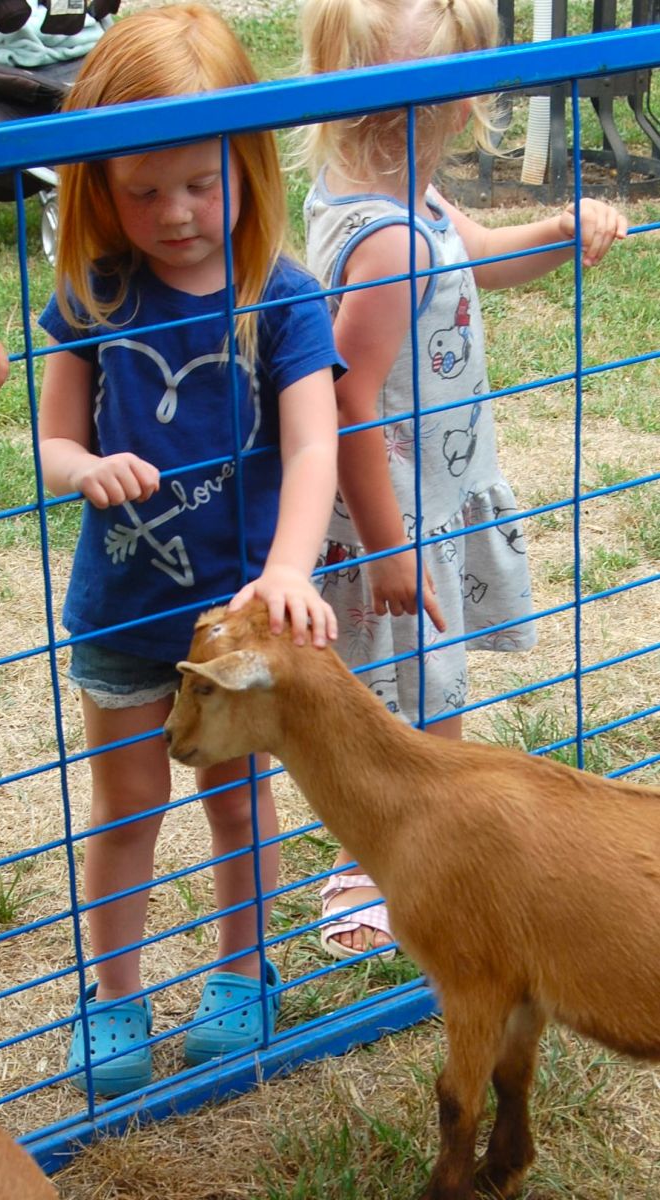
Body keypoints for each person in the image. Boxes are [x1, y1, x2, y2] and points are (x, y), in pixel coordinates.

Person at [38, 2, 342, 1097]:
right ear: (94, 184)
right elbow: (52, 434)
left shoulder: (285, 297)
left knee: (235, 802)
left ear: (246, 165)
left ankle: (240, 971)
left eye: (200, 182)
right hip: (123, 613)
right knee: (124, 810)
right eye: (141, 188)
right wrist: (82, 470)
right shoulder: (95, 296)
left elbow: (316, 447)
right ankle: (111, 995)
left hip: (238, 619)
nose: (174, 214)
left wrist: (291, 568)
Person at [299, 0, 628, 960]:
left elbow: (475, 259)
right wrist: (393, 546)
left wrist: (561, 228)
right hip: (393, 514)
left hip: (424, 499)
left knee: (418, 689)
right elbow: (349, 400)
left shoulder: (401, 200)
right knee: (411, 700)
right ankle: (389, 876)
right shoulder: (390, 237)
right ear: (467, 100)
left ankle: (402, 858)